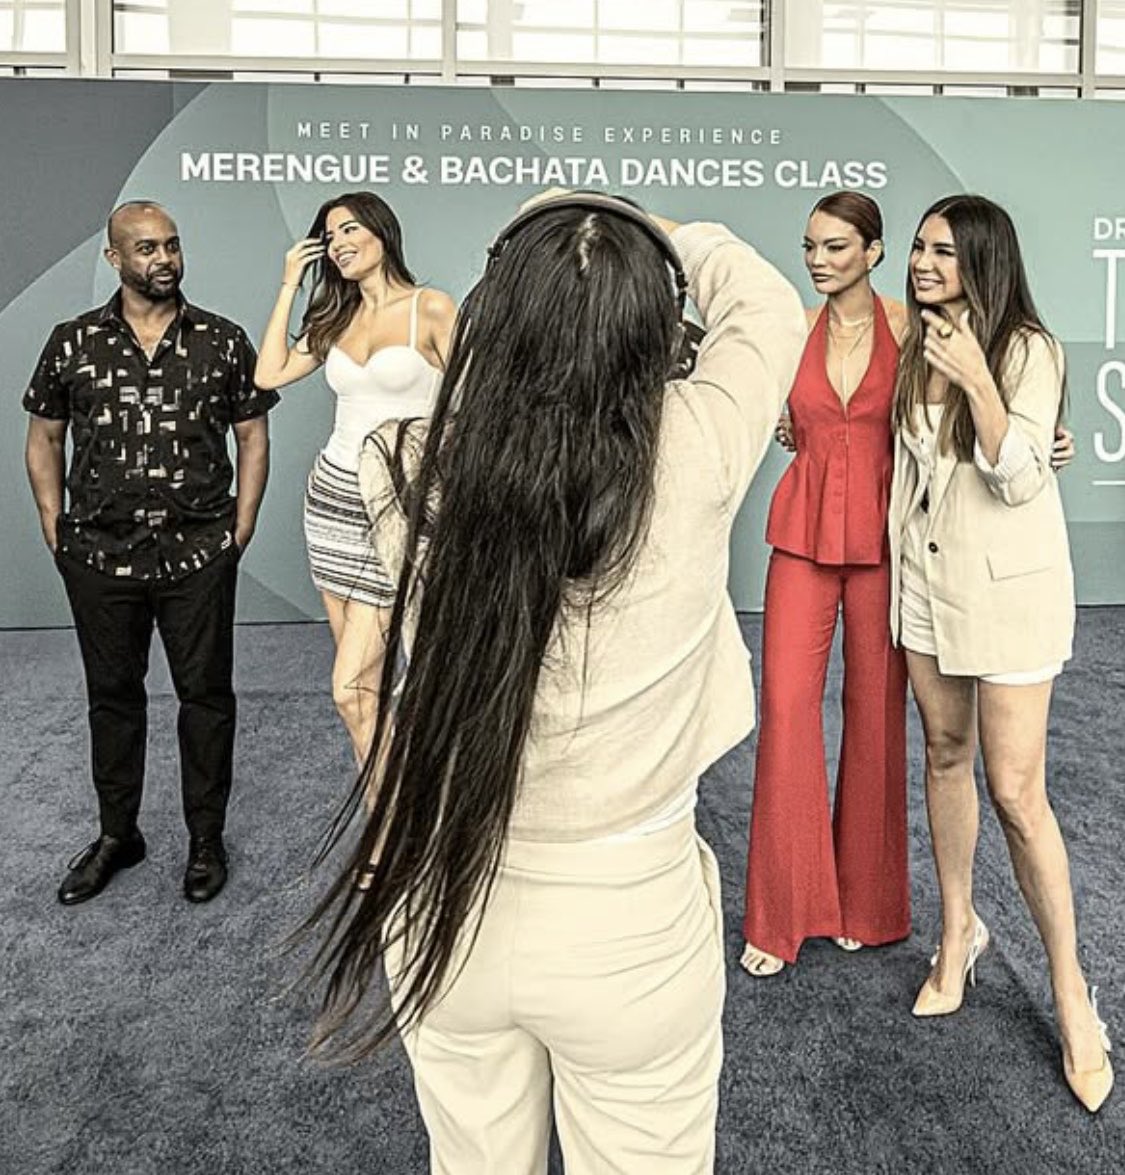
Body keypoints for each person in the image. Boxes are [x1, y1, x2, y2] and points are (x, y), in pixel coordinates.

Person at [303, 192, 806, 1173]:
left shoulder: (397, 462)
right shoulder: (697, 445)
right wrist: (651, 229)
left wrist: (551, 232)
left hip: (443, 904)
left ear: (492, 315)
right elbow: (770, 305)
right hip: (625, 922)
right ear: (655, 331)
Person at [741, 194, 1077, 978]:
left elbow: (986, 429)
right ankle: (782, 912)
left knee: (878, 719)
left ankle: (867, 903)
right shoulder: (793, 330)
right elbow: (775, 412)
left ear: (872, 251)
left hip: (892, 543)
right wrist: (788, 425)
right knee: (787, 710)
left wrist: (1043, 441)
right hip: (804, 532)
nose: (818, 259)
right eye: (809, 246)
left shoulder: (911, 325)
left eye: (834, 246)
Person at [888, 194, 1112, 1112]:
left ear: (982, 256)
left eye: (941, 250)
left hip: (1010, 594)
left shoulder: (1027, 347)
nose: (921, 262)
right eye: (916, 246)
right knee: (944, 757)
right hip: (926, 586)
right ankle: (957, 935)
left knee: (1017, 792)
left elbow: (1017, 477)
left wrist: (981, 382)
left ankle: (1071, 993)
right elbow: (904, 460)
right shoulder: (914, 340)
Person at [23, 200, 276, 905]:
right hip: (99, 557)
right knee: (112, 699)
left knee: (205, 697)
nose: (162, 259)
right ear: (114, 258)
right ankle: (117, 835)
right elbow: (44, 435)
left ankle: (205, 837)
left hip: (197, 554)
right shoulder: (71, 342)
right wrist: (55, 525)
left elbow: (252, 433)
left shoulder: (222, 341)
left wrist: (241, 525)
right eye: (145, 249)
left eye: (171, 245)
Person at [255, 192, 456, 765]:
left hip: (397, 507)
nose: (338, 243)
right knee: (363, 696)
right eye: (329, 235)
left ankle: (398, 823)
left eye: (349, 230)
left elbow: (477, 405)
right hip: (331, 502)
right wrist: (291, 281)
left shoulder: (431, 308)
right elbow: (268, 373)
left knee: (349, 688)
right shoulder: (335, 317)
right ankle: (387, 830)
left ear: (381, 232)